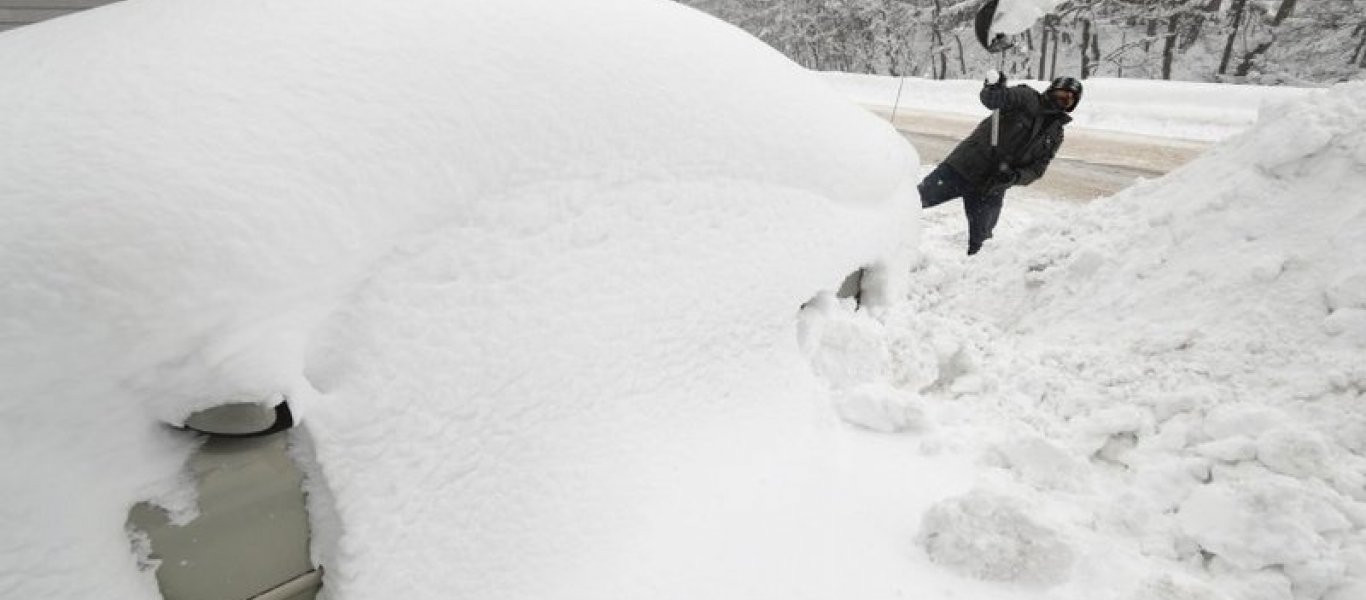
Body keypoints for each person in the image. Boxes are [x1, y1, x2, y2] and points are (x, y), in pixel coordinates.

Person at [918, 73, 1082, 255]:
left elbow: (1037, 169)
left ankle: (970, 278)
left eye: (1069, 99)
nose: (1063, 100)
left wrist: (1014, 177)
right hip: (962, 169)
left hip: (992, 187)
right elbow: (992, 100)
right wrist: (994, 87)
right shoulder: (1026, 97)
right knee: (914, 201)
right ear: (1052, 90)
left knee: (982, 246)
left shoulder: (1056, 134)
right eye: (1061, 93)